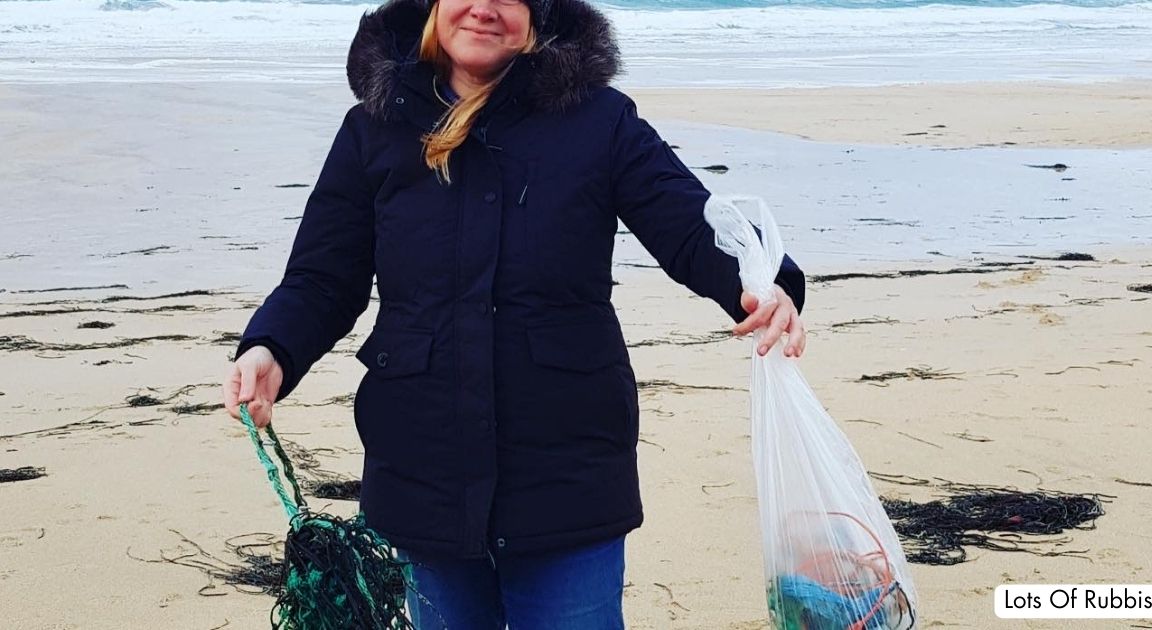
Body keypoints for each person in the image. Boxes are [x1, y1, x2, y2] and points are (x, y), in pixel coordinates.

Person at [222, 0, 807, 627]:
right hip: (422, 470)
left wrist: (762, 283)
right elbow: (322, 277)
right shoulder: (374, 129)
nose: (483, 8)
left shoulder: (598, 121)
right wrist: (272, 348)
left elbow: (689, 224)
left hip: (568, 473)